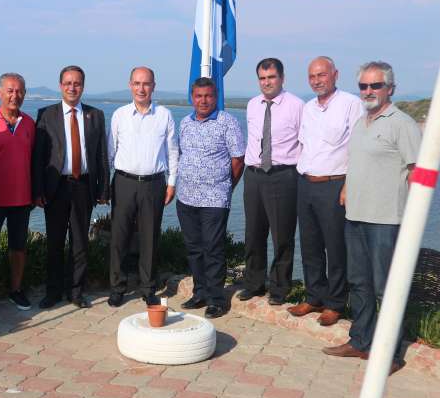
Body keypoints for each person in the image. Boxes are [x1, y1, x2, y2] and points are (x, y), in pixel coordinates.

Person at [323, 61, 421, 374]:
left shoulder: (402, 124)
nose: (368, 91)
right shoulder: (360, 123)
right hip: (355, 216)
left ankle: (391, 354)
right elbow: (356, 163)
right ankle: (360, 341)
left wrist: (415, 216)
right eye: (363, 86)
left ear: (390, 89)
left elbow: (418, 172)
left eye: (375, 85)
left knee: (386, 289)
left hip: (386, 220)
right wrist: (347, 188)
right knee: (359, 283)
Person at [288, 57, 363, 325]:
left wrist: (349, 185)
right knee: (310, 245)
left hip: (334, 184)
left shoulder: (351, 104)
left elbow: (359, 148)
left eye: (321, 74)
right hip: (306, 183)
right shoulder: (308, 108)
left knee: (335, 246)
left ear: (335, 74)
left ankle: (335, 303)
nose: (317, 80)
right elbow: (304, 146)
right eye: (312, 76)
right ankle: (314, 296)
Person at [31, 65, 109, 309]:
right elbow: (38, 157)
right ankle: (53, 292)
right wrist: (37, 190)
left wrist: (103, 189)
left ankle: (76, 292)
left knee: (80, 242)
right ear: (60, 86)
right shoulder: (46, 114)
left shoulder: (95, 115)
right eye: (68, 83)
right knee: (54, 242)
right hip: (55, 187)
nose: (72, 87)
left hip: (84, 186)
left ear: (83, 86)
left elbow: (101, 155)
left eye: (77, 83)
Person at [107, 67, 178, 307]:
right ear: (130, 85)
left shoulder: (165, 115)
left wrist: (172, 183)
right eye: (137, 83)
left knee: (150, 238)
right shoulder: (119, 115)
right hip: (123, 182)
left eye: (146, 83)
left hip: (153, 184)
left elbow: (172, 152)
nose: (141, 88)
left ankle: (148, 288)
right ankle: (117, 287)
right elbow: (110, 152)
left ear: (153, 86)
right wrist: (106, 185)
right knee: (119, 237)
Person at [176, 77, 245, 319]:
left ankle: (216, 299)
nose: (203, 100)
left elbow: (238, 160)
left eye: (208, 96)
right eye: (198, 96)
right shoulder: (185, 123)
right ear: (192, 98)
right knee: (194, 249)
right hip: (186, 197)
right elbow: (182, 154)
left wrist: (226, 186)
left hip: (214, 199)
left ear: (215, 97)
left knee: (213, 249)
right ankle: (200, 293)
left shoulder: (228, 122)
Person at [240, 58, 303, 305]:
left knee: (282, 235)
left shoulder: (297, 106)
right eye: (262, 78)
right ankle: (253, 284)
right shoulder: (252, 105)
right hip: (254, 175)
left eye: (271, 77)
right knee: (253, 233)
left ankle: (279, 289)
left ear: (282, 78)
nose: (266, 82)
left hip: (283, 175)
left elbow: (305, 142)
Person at [0, 73, 35, 314]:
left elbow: (35, 161)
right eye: (10, 90)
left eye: (19, 91)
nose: (15, 95)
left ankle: (16, 289)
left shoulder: (30, 123)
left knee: (18, 247)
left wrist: (35, 193)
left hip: (22, 198)